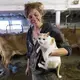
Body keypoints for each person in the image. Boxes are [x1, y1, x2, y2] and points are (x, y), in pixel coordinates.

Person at [24, 2, 72, 80]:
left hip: (48, 74)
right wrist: (28, 67)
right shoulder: (30, 32)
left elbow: (68, 49)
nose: (33, 18)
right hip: (35, 72)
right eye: (30, 16)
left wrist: (49, 52)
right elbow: (30, 51)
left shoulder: (50, 29)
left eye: (36, 14)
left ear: (41, 14)